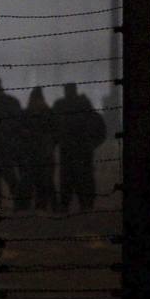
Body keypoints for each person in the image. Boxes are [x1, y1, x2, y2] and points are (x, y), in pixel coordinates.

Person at [53, 82, 106, 211]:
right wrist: (92, 143)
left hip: (70, 148)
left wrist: (54, 142)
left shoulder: (62, 106)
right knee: (83, 177)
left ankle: (68, 204)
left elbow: (53, 126)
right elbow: (98, 126)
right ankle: (85, 203)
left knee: (69, 177)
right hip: (81, 149)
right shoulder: (83, 105)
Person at [0, 77, 26, 210]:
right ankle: (20, 205)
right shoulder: (11, 101)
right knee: (10, 177)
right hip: (8, 145)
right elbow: (20, 123)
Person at [22, 86, 58, 210]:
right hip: (41, 152)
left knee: (42, 180)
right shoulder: (47, 112)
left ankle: (44, 206)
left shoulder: (29, 113)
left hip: (38, 152)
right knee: (43, 180)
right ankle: (49, 206)